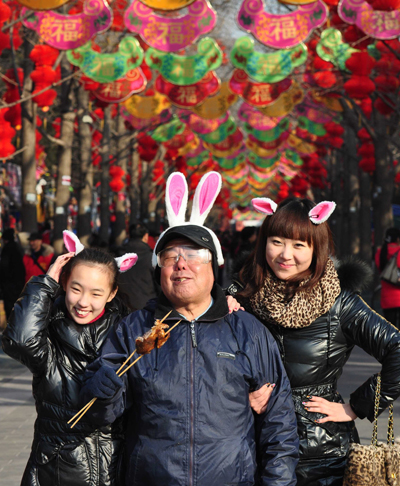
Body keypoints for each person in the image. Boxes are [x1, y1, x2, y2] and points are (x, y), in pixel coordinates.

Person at [80, 172, 299, 486]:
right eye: (171, 257)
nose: (182, 264)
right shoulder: (135, 329)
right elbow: (102, 416)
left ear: (214, 266)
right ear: (160, 270)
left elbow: (279, 423)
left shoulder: (246, 330)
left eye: (195, 255)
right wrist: (101, 390)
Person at [227, 197, 400, 486]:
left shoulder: (339, 302)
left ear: (315, 248)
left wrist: (356, 407)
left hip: (322, 455)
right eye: (276, 241)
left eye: (299, 245)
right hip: (249, 445)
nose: (285, 254)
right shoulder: (238, 297)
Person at [1, 230, 137, 486]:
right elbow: (18, 341)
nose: (83, 302)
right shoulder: (51, 332)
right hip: (56, 469)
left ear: (111, 294)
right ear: (64, 284)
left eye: (96, 294)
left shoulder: (127, 333)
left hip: (114, 468)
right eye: (76, 289)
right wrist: (46, 283)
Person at [115, 221, 159, 311]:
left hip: (121, 306)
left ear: (129, 235)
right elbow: (159, 285)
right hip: (147, 307)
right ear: (146, 236)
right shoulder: (151, 258)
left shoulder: (118, 255)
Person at [375, 227, 400, 329]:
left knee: (390, 329)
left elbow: (379, 268)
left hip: (387, 297)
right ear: (398, 239)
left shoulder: (380, 252)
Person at [0, 228, 25, 318]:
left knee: (10, 309)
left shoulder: (6, 250)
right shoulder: (19, 248)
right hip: (20, 284)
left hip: (9, 286)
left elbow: (4, 268)